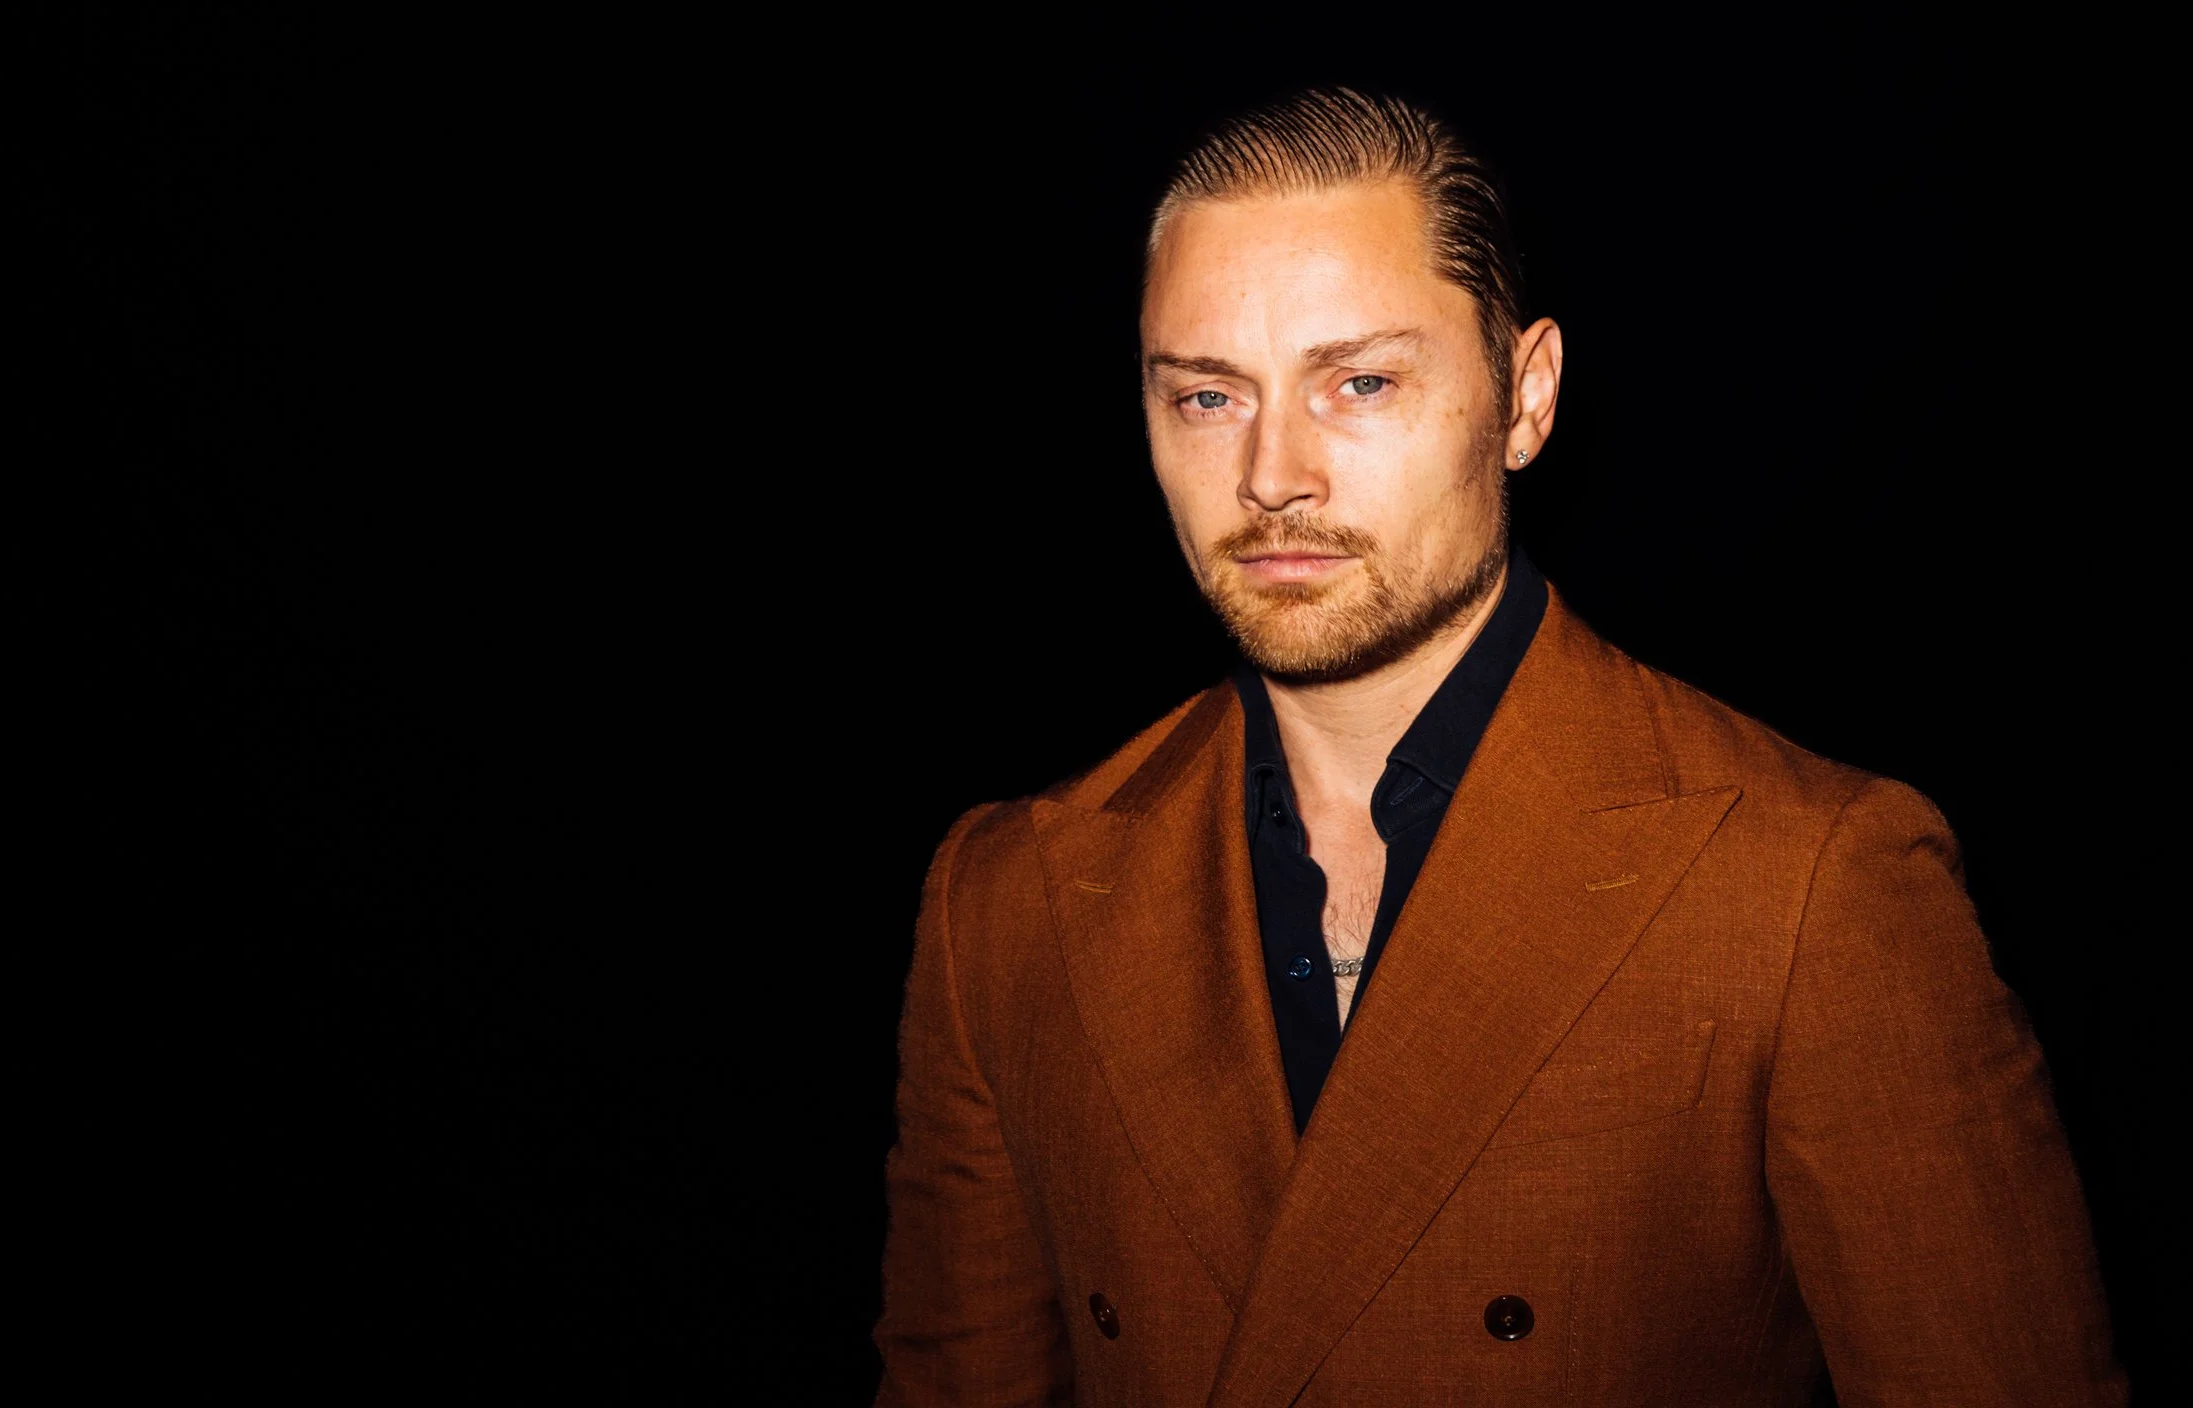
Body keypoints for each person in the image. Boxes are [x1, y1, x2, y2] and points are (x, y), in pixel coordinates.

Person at [873, 87, 2124, 1407]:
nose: (1271, 475)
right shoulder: (1005, 900)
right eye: (1207, 396)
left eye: (1360, 383)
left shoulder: (1808, 885)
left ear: (1525, 398)